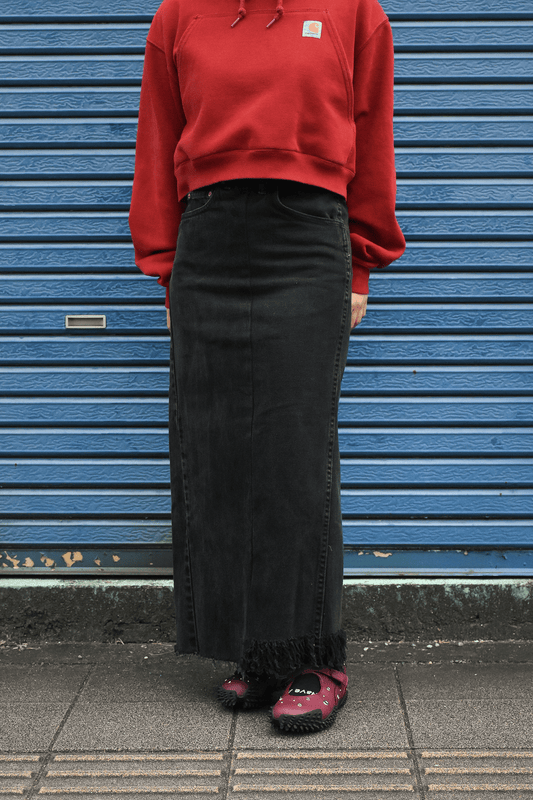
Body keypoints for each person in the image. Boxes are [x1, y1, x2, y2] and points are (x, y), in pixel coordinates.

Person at [129, 0, 405, 734]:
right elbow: (157, 141)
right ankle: (260, 650)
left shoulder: (354, 13)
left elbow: (372, 133)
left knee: (295, 453)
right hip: (209, 237)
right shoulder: (178, 15)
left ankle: (316, 658)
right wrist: (166, 269)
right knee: (214, 449)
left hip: (307, 238)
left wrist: (360, 264)